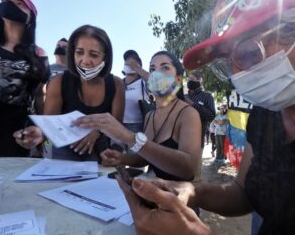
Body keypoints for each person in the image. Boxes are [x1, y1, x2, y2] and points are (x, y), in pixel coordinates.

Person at [115, 0, 295, 235]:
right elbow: (243, 192)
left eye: (250, 52)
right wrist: (190, 191)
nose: (238, 75)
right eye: (227, 63)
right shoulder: (265, 115)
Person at [72, 50, 202, 182]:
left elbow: (188, 169)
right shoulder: (150, 116)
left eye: (165, 67)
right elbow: (147, 157)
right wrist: (121, 158)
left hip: (176, 198)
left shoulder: (188, 114)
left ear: (178, 79)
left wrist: (130, 138)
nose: (156, 74)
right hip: (153, 192)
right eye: (152, 69)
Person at [13, 25, 125, 161]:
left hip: (101, 156)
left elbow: (117, 129)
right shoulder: (58, 82)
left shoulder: (117, 85)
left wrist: (98, 132)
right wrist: (38, 134)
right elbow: (49, 124)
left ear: (105, 57)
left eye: (93, 54)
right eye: (79, 52)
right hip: (62, 156)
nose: (85, 61)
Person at [0, 0, 50, 157]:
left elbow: (39, 96)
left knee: (8, 176)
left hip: (15, 125)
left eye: (20, 4)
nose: (11, 5)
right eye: (8, 1)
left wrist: (41, 130)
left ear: (30, 18)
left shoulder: (39, 55)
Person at [186, 71, 215, 180]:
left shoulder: (207, 96)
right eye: (188, 79)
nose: (189, 81)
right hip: (180, 139)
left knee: (195, 175)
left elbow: (211, 115)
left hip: (197, 141)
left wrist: (193, 105)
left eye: (192, 79)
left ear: (200, 81)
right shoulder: (183, 96)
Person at [122, 50, 148, 134]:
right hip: (120, 123)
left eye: (132, 62)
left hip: (139, 125)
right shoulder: (119, 83)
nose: (129, 64)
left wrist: (137, 68)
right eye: (126, 62)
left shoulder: (143, 82)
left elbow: (160, 85)